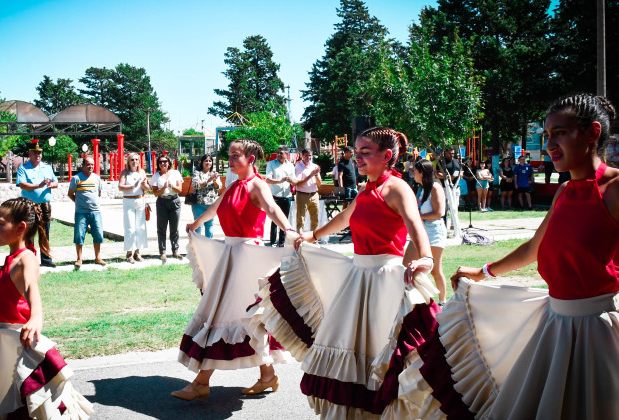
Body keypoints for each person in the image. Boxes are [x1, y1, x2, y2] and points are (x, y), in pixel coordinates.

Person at [418, 94, 619, 419]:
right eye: (546, 134)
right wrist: (482, 271)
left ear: (592, 132)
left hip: (596, 332)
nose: (549, 143)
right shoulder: (566, 192)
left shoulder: (615, 189)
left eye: (560, 133)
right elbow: (532, 248)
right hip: (554, 326)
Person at [251, 127, 441, 418]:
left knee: (382, 348)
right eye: (357, 152)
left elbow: (416, 227)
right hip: (359, 277)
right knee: (347, 344)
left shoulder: (398, 188)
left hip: (385, 279)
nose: (358, 159)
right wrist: (312, 236)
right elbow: (343, 218)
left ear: (387, 156)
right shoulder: (367, 190)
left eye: (366, 153)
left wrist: (425, 258)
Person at [172, 139, 294, 402]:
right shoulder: (233, 186)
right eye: (229, 154)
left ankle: (201, 382)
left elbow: (272, 208)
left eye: (235, 155)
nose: (230, 158)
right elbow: (216, 208)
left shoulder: (257, 185)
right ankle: (267, 376)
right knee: (244, 318)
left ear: (251, 159)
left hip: (247, 257)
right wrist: (196, 222)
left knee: (224, 315)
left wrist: (290, 230)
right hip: (231, 256)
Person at [0, 197, 93, 418]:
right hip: (3, 338)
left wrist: (36, 317)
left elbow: (31, 288)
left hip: (17, 340)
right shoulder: (13, 257)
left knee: (17, 396)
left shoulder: (27, 258)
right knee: (0, 394)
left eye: (0, 224)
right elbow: (2, 276)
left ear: (20, 228)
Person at [404, 158, 448, 303]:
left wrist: (417, 216)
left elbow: (438, 213)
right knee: (407, 264)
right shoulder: (422, 188)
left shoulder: (435, 187)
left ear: (422, 173)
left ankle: (442, 302)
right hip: (421, 230)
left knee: (435, 270)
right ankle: (415, 300)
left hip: (434, 230)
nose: (413, 174)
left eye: (415, 171)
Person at [16, 140, 58, 267]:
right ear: (30, 154)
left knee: (44, 233)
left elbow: (56, 182)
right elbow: (22, 184)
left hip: (45, 205)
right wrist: (38, 185)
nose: (38, 155)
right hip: (29, 205)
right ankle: (29, 260)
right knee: (29, 233)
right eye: (35, 153)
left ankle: (46, 259)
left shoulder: (47, 167)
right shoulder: (23, 168)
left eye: (39, 153)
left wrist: (51, 184)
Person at [68, 156, 105, 267]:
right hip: (81, 213)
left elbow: (98, 193)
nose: (90, 166)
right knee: (79, 235)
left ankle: (98, 258)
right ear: (83, 165)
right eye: (88, 164)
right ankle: (79, 259)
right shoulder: (76, 179)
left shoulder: (97, 178)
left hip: (95, 212)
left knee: (98, 234)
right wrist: (79, 203)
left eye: (92, 164)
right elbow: (70, 194)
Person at [118, 153, 151, 263]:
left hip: (140, 200)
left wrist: (143, 185)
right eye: (132, 159)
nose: (135, 161)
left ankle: (137, 252)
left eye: (137, 159)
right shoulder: (125, 173)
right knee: (130, 228)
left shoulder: (141, 172)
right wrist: (133, 186)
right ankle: (129, 253)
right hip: (128, 201)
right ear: (128, 161)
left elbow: (147, 188)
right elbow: (120, 187)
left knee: (140, 228)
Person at [151, 156, 183, 261]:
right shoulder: (156, 176)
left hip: (174, 201)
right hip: (162, 202)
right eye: (160, 162)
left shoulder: (175, 173)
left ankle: (175, 251)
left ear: (169, 162)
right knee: (161, 228)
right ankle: (162, 252)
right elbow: (155, 193)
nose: (162, 163)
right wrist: (164, 187)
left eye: (165, 161)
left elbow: (179, 189)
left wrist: (172, 186)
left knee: (174, 228)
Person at [265, 145, 295, 247]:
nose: (278, 154)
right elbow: (268, 179)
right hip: (275, 196)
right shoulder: (271, 164)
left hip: (287, 196)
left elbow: (294, 180)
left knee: (284, 219)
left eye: (281, 153)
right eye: (278, 152)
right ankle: (273, 241)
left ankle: (282, 241)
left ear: (286, 154)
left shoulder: (290, 166)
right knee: (275, 219)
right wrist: (281, 180)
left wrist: (292, 181)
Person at [191, 154, 222, 239]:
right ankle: (197, 249)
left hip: (211, 206)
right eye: (206, 161)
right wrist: (209, 180)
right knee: (198, 227)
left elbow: (219, 187)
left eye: (210, 161)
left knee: (210, 227)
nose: (208, 162)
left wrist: (215, 181)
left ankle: (208, 249)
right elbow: (196, 185)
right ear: (202, 162)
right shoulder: (197, 173)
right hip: (199, 204)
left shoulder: (214, 173)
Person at [293, 148, 322, 233]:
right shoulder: (298, 167)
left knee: (315, 219)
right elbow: (298, 183)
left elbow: (319, 184)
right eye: (306, 155)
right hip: (302, 195)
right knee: (300, 220)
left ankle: (314, 241)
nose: (308, 157)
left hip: (314, 194)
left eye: (310, 155)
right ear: (302, 156)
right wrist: (310, 175)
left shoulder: (315, 166)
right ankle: (300, 240)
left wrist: (316, 175)